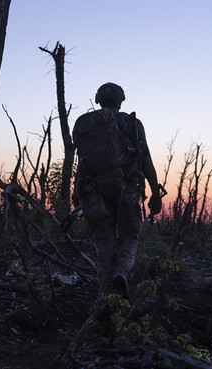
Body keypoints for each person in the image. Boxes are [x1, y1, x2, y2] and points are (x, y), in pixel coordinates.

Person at [72, 82, 163, 297]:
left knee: (103, 239)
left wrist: (77, 196)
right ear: (121, 100)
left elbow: (81, 164)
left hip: (93, 190)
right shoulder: (132, 123)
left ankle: (105, 288)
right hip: (126, 188)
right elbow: (146, 160)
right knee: (129, 236)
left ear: (98, 100)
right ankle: (121, 271)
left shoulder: (87, 125)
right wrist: (156, 193)